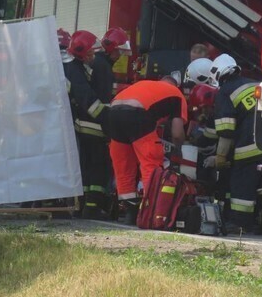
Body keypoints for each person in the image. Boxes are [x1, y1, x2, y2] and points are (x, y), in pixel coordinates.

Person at [105, 76, 187, 224]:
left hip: (113, 112)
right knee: (151, 163)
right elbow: (177, 133)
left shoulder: (144, 85)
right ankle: (152, 212)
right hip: (137, 114)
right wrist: (179, 148)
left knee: (123, 167)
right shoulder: (176, 94)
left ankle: (130, 212)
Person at [209, 54, 262, 234]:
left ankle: (240, 223)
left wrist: (220, 157)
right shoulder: (253, 83)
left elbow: (227, 130)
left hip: (247, 148)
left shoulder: (225, 92)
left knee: (241, 185)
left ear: (217, 75)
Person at [65, 30, 113, 220]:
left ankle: (82, 205)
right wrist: (108, 119)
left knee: (85, 167)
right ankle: (91, 208)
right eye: (91, 53)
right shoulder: (75, 71)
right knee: (97, 167)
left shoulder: (75, 67)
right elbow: (88, 101)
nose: (93, 56)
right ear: (80, 53)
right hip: (88, 127)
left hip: (80, 125)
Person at [92, 27, 131, 101]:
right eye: (118, 51)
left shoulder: (99, 61)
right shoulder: (104, 66)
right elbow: (105, 95)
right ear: (110, 48)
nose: (119, 56)